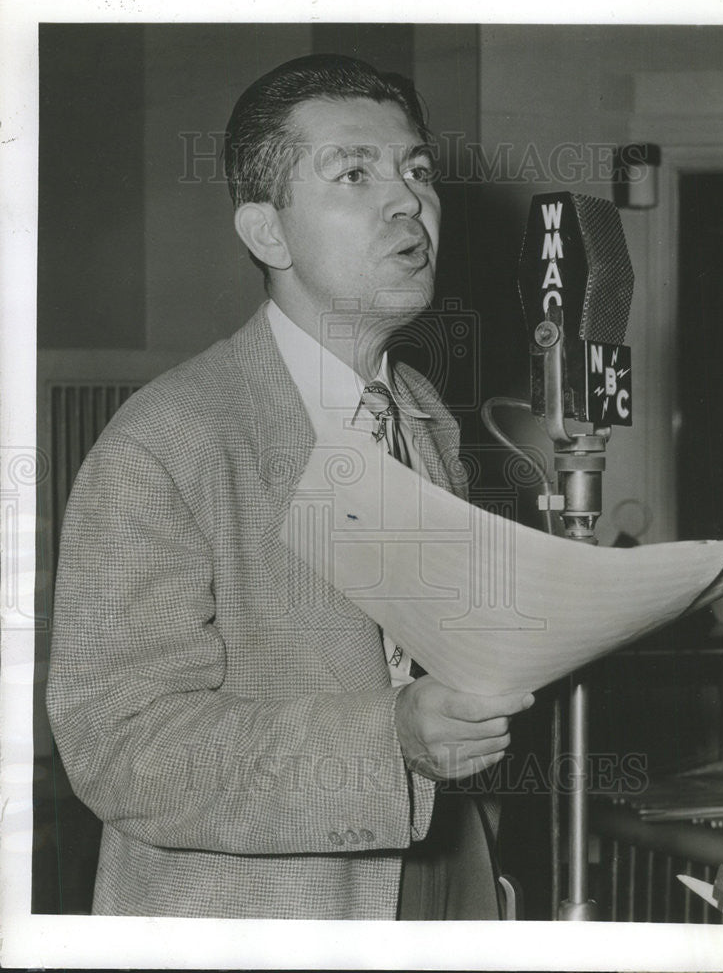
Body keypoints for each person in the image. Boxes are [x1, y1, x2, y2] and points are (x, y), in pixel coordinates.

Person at [46, 53, 534, 920]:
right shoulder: (167, 442)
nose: (407, 201)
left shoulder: (423, 414)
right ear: (267, 233)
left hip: (440, 883)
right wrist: (386, 742)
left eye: (417, 170)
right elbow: (117, 744)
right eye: (355, 173)